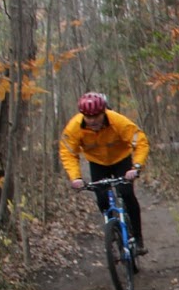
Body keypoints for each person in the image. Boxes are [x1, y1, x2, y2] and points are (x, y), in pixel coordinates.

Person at [60, 92, 150, 255]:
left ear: (104, 112)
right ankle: (112, 229)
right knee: (101, 198)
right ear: (82, 115)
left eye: (96, 116)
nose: (92, 120)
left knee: (127, 193)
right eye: (88, 116)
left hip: (121, 159)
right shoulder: (74, 128)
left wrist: (136, 167)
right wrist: (75, 177)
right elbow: (68, 153)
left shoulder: (118, 121)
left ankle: (137, 237)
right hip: (97, 163)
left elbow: (140, 141)